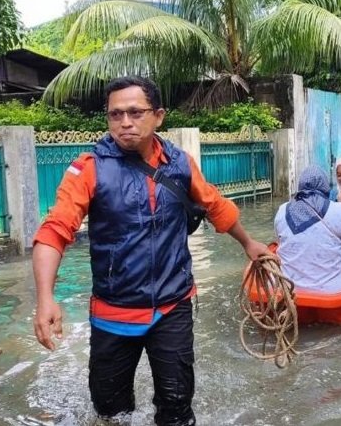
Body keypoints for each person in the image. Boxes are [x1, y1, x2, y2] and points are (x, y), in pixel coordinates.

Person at [31, 76, 268, 425]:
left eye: (135, 112)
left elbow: (216, 205)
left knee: (176, 407)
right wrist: (45, 298)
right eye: (115, 115)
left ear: (158, 116)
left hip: (172, 306)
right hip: (114, 313)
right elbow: (54, 231)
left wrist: (249, 243)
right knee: (111, 412)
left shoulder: (180, 164)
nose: (125, 123)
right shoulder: (89, 169)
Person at [275, 166, 341, 293]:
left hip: (289, 289)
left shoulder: (282, 210)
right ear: (325, 187)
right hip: (331, 291)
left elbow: (281, 240)